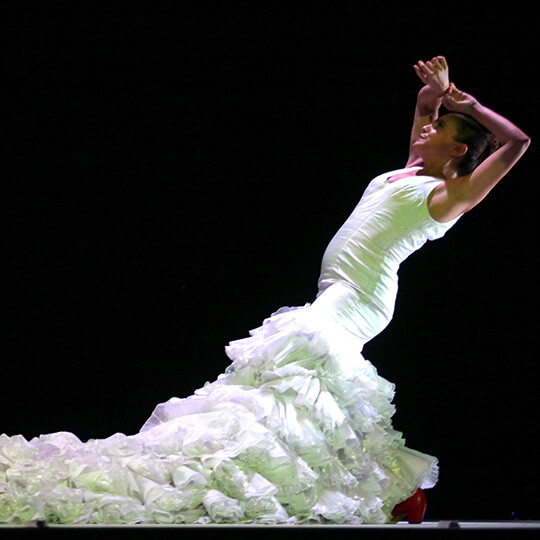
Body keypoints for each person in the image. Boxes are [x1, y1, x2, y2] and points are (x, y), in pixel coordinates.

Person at [0, 57, 530, 526]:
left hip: (359, 297)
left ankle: (376, 486)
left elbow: (517, 143)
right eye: (428, 124)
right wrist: (438, 93)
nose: (425, 128)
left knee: (292, 384)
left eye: (438, 127)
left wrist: (473, 104)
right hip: (336, 289)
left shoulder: (447, 195)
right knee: (296, 389)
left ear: (458, 147)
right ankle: (399, 491)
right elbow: (421, 104)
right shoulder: (409, 170)